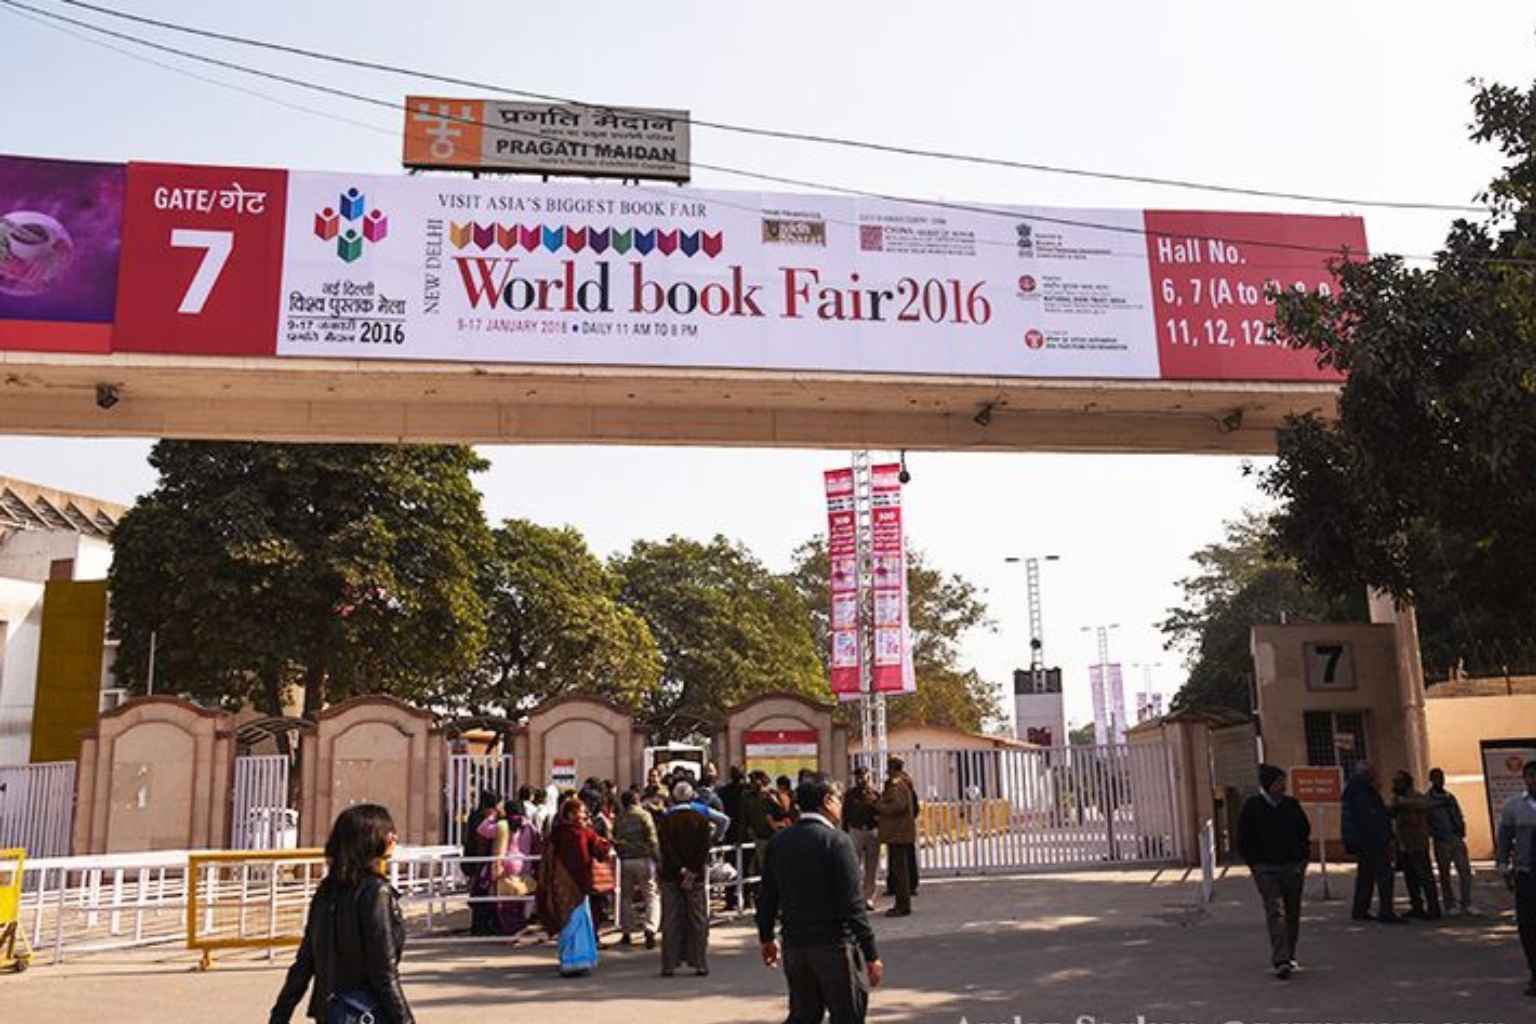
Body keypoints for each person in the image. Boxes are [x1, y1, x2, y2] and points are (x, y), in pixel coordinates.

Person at [757, 773, 884, 1024]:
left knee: (804, 1015)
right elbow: (852, 905)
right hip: (833, 946)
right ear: (827, 801)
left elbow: (767, 896)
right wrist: (871, 953)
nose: (840, 805)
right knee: (847, 1014)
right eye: (838, 798)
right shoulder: (837, 842)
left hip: (795, 945)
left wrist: (766, 937)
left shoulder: (779, 842)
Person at [270, 804, 414, 1024]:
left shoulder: (327, 891)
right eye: (388, 832)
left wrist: (279, 1016)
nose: (394, 837)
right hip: (367, 1014)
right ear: (369, 839)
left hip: (332, 1012)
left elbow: (304, 964)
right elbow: (383, 972)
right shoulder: (376, 892)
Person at [1236, 764, 1311, 979]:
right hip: (1266, 868)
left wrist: (1302, 859)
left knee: (1293, 911)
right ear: (1268, 784)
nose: (1283, 786)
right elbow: (1243, 838)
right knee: (1275, 911)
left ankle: (1290, 953)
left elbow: (1304, 831)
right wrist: (1254, 863)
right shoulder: (1253, 807)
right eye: (1278, 782)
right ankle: (1281, 959)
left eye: (1283, 782)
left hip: (1292, 866)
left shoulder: (1291, 805)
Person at [537, 797, 611, 978]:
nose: (585, 814)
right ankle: (578, 961)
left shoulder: (556, 834)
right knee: (576, 921)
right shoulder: (583, 833)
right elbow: (601, 850)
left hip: (560, 886)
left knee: (569, 922)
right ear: (570, 814)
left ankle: (568, 960)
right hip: (577, 885)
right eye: (581, 811)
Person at [656, 780, 715, 977]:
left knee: (671, 919)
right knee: (697, 918)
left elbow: (666, 849)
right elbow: (704, 849)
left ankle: (669, 964)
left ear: (673, 797)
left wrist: (680, 869)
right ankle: (700, 962)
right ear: (692, 797)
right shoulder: (701, 819)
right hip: (696, 876)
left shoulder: (666, 820)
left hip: (671, 876)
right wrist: (692, 870)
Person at [1495, 759, 1536, 997]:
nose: (1534, 780)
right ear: (1525, 778)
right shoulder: (1514, 806)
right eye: (1531, 776)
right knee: (1529, 927)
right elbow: (1504, 839)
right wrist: (1503, 867)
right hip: (1526, 874)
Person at [1341, 761, 1400, 923]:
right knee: (1384, 875)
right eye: (1373, 772)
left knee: (1365, 876)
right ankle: (1386, 911)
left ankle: (1361, 909)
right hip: (1372, 841)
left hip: (1362, 840)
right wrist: (1385, 836)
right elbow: (1370, 817)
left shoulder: (1354, 789)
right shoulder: (1363, 791)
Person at [1390, 770, 1442, 920]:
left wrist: (1402, 803)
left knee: (1425, 877)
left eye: (1398, 782)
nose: (1395, 785)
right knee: (1410, 878)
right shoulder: (1396, 799)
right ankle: (1416, 906)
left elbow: (1425, 805)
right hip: (1404, 844)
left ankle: (1433, 908)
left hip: (1417, 843)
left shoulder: (1415, 797)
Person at [614, 789, 661, 950]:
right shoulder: (644, 815)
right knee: (651, 894)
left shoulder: (619, 818)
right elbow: (652, 838)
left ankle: (627, 931)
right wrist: (657, 858)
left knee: (626, 897)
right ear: (637, 800)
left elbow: (615, 837)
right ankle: (650, 928)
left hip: (626, 860)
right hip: (644, 858)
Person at [1427, 767, 1475, 915]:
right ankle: (1449, 904)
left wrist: (1461, 827)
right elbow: (1427, 821)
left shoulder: (1450, 797)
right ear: (1431, 779)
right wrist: (1435, 834)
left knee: (1465, 871)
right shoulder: (1428, 799)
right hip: (1442, 840)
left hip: (1456, 838)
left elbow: (1458, 813)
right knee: (1444, 874)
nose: (1440, 780)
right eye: (1436, 777)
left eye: (1441, 777)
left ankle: (1467, 903)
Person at [488, 803, 540, 934]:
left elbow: (482, 829)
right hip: (524, 864)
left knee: (506, 904)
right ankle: (520, 926)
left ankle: (510, 930)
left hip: (507, 866)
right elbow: (537, 841)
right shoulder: (528, 826)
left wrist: (494, 815)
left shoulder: (503, 825)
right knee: (521, 899)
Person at [876, 757, 918, 918]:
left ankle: (902, 906)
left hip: (898, 833)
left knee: (900, 871)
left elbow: (898, 806)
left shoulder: (898, 785)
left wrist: (879, 806)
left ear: (893, 768)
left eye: (888, 768)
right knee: (900, 869)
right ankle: (902, 904)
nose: (887, 771)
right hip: (898, 833)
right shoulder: (902, 783)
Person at [463, 790, 503, 936]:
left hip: (474, 858)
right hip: (484, 859)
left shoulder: (475, 814)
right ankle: (485, 926)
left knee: (477, 891)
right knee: (485, 892)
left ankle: (478, 925)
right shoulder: (490, 817)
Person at [843, 765, 881, 911]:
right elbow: (845, 814)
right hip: (855, 831)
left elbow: (880, 812)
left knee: (872, 867)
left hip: (872, 831)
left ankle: (869, 898)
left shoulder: (876, 794)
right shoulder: (850, 794)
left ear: (868, 776)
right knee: (853, 866)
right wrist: (845, 831)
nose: (860, 779)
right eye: (857, 776)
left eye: (863, 776)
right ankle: (855, 898)